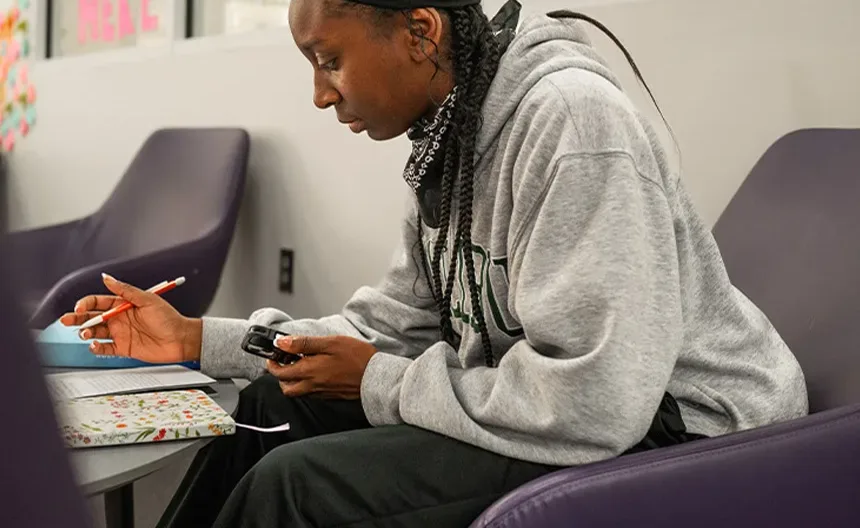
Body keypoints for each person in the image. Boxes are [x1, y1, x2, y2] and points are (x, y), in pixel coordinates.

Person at [61, 0, 808, 526]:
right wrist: (200, 340)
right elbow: (385, 326)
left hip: (687, 428)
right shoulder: (448, 143)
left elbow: (598, 403)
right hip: (574, 407)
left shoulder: (574, 123)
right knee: (271, 408)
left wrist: (379, 381)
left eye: (329, 60)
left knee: (298, 486)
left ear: (420, 32)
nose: (321, 94)